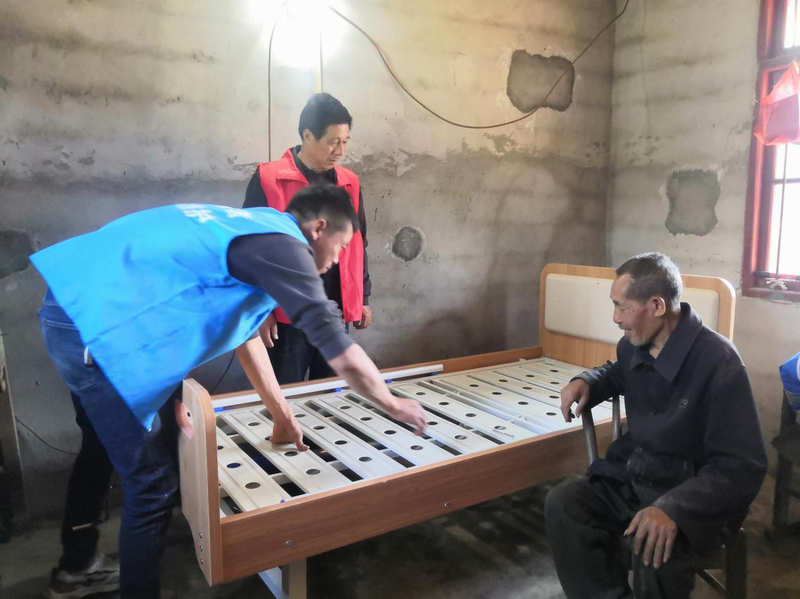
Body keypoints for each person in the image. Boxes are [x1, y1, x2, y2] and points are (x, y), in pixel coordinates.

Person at [32, 184, 426, 598]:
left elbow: (244, 334)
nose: (337, 260)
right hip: (93, 333)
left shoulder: (253, 229)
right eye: (341, 246)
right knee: (152, 488)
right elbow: (338, 349)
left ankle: (75, 569)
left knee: (99, 446)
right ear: (319, 229)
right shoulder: (286, 249)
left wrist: (282, 415)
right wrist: (392, 403)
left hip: (73, 304)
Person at [545, 252, 767, 599]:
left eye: (621, 307)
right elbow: (617, 373)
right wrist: (587, 380)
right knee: (564, 503)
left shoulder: (718, 361)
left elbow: (742, 466)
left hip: (693, 496)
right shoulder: (633, 346)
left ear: (657, 306)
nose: (615, 318)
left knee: (651, 544)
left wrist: (674, 508)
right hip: (637, 475)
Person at [244, 92, 372, 384]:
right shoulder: (268, 179)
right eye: (333, 142)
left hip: (334, 309)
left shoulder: (349, 182)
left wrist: (362, 296)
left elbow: (358, 242)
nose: (340, 151)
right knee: (286, 392)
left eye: (345, 142)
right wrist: (260, 311)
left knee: (333, 393)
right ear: (307, 135)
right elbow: (250, 249)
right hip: (286, 313)